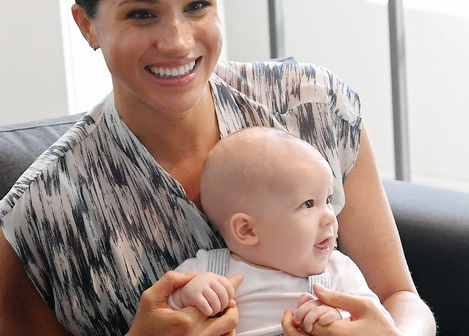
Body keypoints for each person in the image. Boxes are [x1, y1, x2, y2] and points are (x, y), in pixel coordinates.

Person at [0, 0, 435, 335]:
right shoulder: (39, 221)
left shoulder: (313, 107)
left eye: (197, 6)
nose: (178, 42)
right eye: (142, 14)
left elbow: (399, 295)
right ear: (87, 25)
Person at [168, 126, 393, 334]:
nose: (329, 216)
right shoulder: (208, 271)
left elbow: (380, 323)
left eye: (328, 200)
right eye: (308, 204)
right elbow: (162, 317)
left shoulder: (339, 272)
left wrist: (340, 315)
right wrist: (185, 296)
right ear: (247, 230)